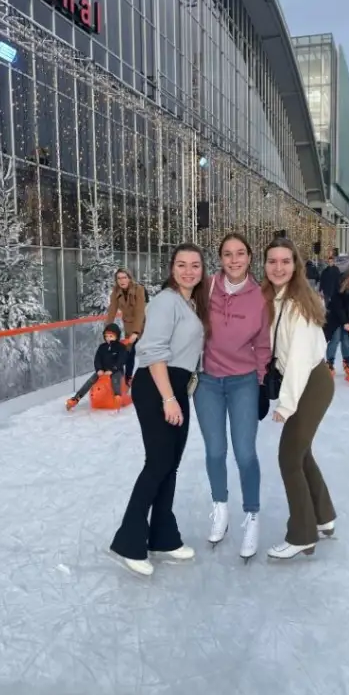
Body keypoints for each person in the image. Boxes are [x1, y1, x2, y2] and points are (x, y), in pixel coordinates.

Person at [110, 244, 208, 576]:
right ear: (171, 267)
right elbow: (152, 350)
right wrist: (168, 398)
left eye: (195, 265)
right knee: (158, 463)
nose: (189, 271)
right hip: (158, 386)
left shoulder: (188, 302)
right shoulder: (167, 300)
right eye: (182, 264)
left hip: (176, 386)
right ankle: (129, 541)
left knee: (170, 465)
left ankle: (163, 537)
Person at [194, 233, 271, 560]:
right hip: (208, 383)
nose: (234, 260)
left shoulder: (260, 297)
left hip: (243, 382)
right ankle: (220, 507)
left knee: (244, 453)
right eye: (228, 254)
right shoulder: (206, 287)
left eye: (240, 253)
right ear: (220, 258)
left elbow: (264, 344)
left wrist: (261, 380)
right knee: (214, 451)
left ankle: (252, 515)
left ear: (249, 257)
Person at [262, 238, 336, 559]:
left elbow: (299, 359)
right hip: (305, 381)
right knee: (302, 454)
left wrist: (287, 404)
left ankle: (303, 534)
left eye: (285, 261)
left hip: (310, 383)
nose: (279, 268)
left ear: (296, 265)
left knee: (289, 458)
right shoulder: (276, 298)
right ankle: (324, 516)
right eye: (272, 261)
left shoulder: (297, 304)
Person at [65, 323, 127, 410]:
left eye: (111, 336)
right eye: (107, 336)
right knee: (90, 381)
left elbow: (121, 360)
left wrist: (113, 370)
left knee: (115, 380)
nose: (108, 338)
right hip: (103, 371)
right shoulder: (102, 347)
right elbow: (97, 360)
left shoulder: (121, 347)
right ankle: (76, 398)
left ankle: (117, 396)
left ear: (117, 336)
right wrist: (99, 370)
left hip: (116, 371)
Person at [105, 269, 147, 385]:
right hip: (128, 325)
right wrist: (107, 330)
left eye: (124, 277)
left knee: (148, 352)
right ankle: (127, 379)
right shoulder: (116, 291)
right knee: (128, 352)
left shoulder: (139, 289)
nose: (122, 280)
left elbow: (140, 311)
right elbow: (112, 310)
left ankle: (153, 377)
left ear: (129, 278)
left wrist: (136, 332)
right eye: (119, 278)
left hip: (143, 323)